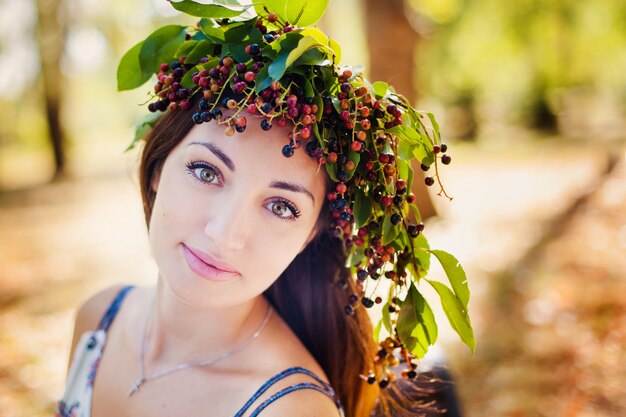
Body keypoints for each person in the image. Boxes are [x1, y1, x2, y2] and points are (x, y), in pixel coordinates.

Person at [56, 1, 473, 417]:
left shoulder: (292, 410)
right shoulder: (99, 320)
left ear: (312, 232)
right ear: (158, 167)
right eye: (206, 172)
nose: (225, 234)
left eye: (281, 206)